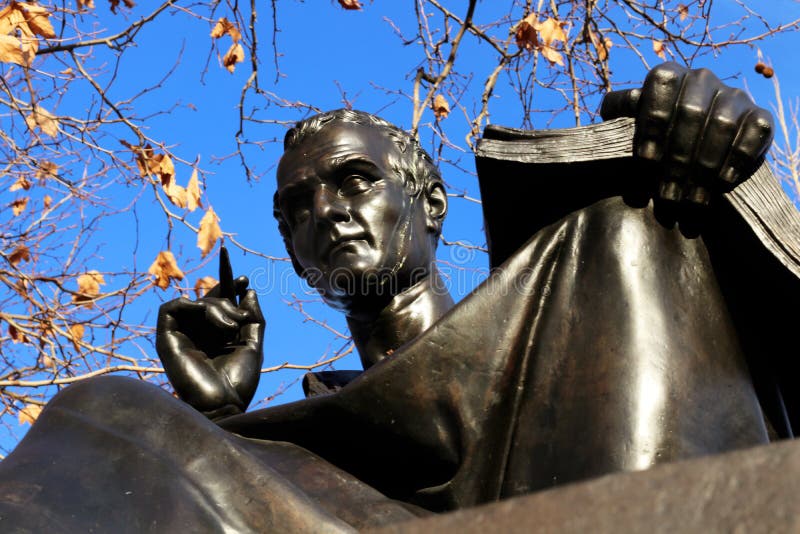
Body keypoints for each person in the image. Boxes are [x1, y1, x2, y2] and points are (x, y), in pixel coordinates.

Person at [0, 63, 792, 532]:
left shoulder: (561, 317)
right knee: (105, 408)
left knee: (633, 225)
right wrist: (214, 421)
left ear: (429, 207)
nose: (326, 214)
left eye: (353, 182)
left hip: (605, 494)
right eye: (296, 209)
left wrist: (707, 150)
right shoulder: (308, 443)